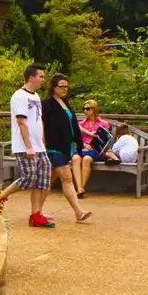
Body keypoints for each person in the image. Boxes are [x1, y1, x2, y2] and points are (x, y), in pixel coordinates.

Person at [0, 65, 53, 227]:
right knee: (29, 178)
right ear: (31, 77)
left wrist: (42, 144)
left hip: (39, 146)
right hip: (25, 146)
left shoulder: (36, 96)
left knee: (42, 180)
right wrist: (28, 146)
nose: (43, 80)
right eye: (40, 76)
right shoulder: (19, 96)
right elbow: (21, 122)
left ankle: (36, 215)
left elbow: (38, 121)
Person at [41, 74, 93, 223]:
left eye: (66, 86)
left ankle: (36, 211)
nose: (65, 89)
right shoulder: (47, 104)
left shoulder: (64, 102)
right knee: (67, 178)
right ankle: (78, 212)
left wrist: (80, 142)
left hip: (65, 146)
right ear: (53, 87)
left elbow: (73, 124)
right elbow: (42, 125)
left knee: (46, 181)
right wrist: (43, 144)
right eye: (61, 86)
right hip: (53, 146)